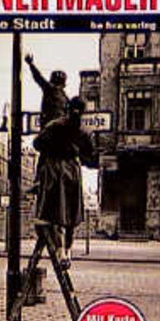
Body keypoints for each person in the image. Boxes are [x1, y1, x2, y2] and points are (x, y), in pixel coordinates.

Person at [33, 96, 95, 264]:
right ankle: (66, 250)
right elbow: (90, 155)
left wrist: (52, 149)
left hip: (56, 170)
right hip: (72, 172)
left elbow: (37, 144)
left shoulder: (54, 126)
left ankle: (62, 250)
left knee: (56, 213)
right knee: (69, 214)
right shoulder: (83, 132)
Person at [25, 53, 69, 129]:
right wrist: (31, 64)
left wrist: (31, 64)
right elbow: (38, 77)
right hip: (52, 127)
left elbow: (38, 77)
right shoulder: (52, 90)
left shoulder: (63, 95)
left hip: (56, 128)